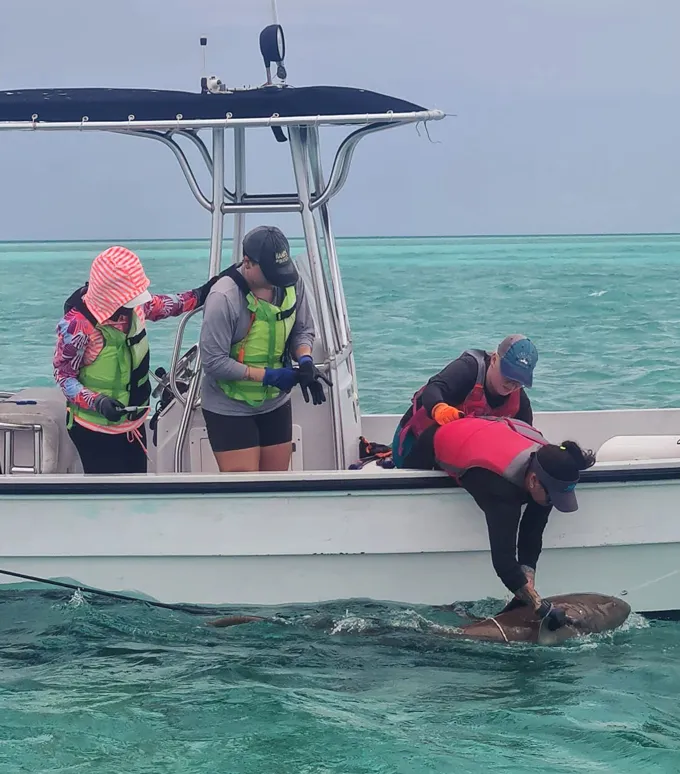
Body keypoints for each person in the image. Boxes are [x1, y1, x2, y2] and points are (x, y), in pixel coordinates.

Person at [53, 245, 216, 474]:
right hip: (95, 431)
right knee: (109, 501)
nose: (134, 304)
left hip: (134, 426)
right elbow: (63, 377)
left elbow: (168, 305)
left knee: (137, 492)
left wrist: (202, 293)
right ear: (110, 297)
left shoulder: (136, 307)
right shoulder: (77, 326)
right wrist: (97, 401)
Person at [434, 415, 596, 631]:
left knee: (539, 506)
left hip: (492, 431)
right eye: (551, 497)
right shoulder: (499, 489)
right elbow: (504, 562)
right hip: (446, 437)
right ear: (533, 481)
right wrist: (541, 608)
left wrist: (527, 586)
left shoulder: (548, 466)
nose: (552, 502)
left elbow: (532, 533)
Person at [199, 225, 329, 473]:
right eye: (271, 273)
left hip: (275, 403)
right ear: (247, 263)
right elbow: (213, 362)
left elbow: (302, 330)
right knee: (245, 491)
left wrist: (305, 361)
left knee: (276, 484)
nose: (277, 280)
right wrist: (268, 376)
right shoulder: (223, 297)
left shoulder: (291, 283)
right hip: (229, 406)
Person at [393, 334, 538, 470]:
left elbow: (526, 441)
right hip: (412, 445)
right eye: (508, 376)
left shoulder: (519, 402)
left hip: (458, 453)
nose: (512, 385)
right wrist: (440, 409)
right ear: (494, 359)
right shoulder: (468, 369)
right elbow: (432, 389)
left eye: (519, 381)